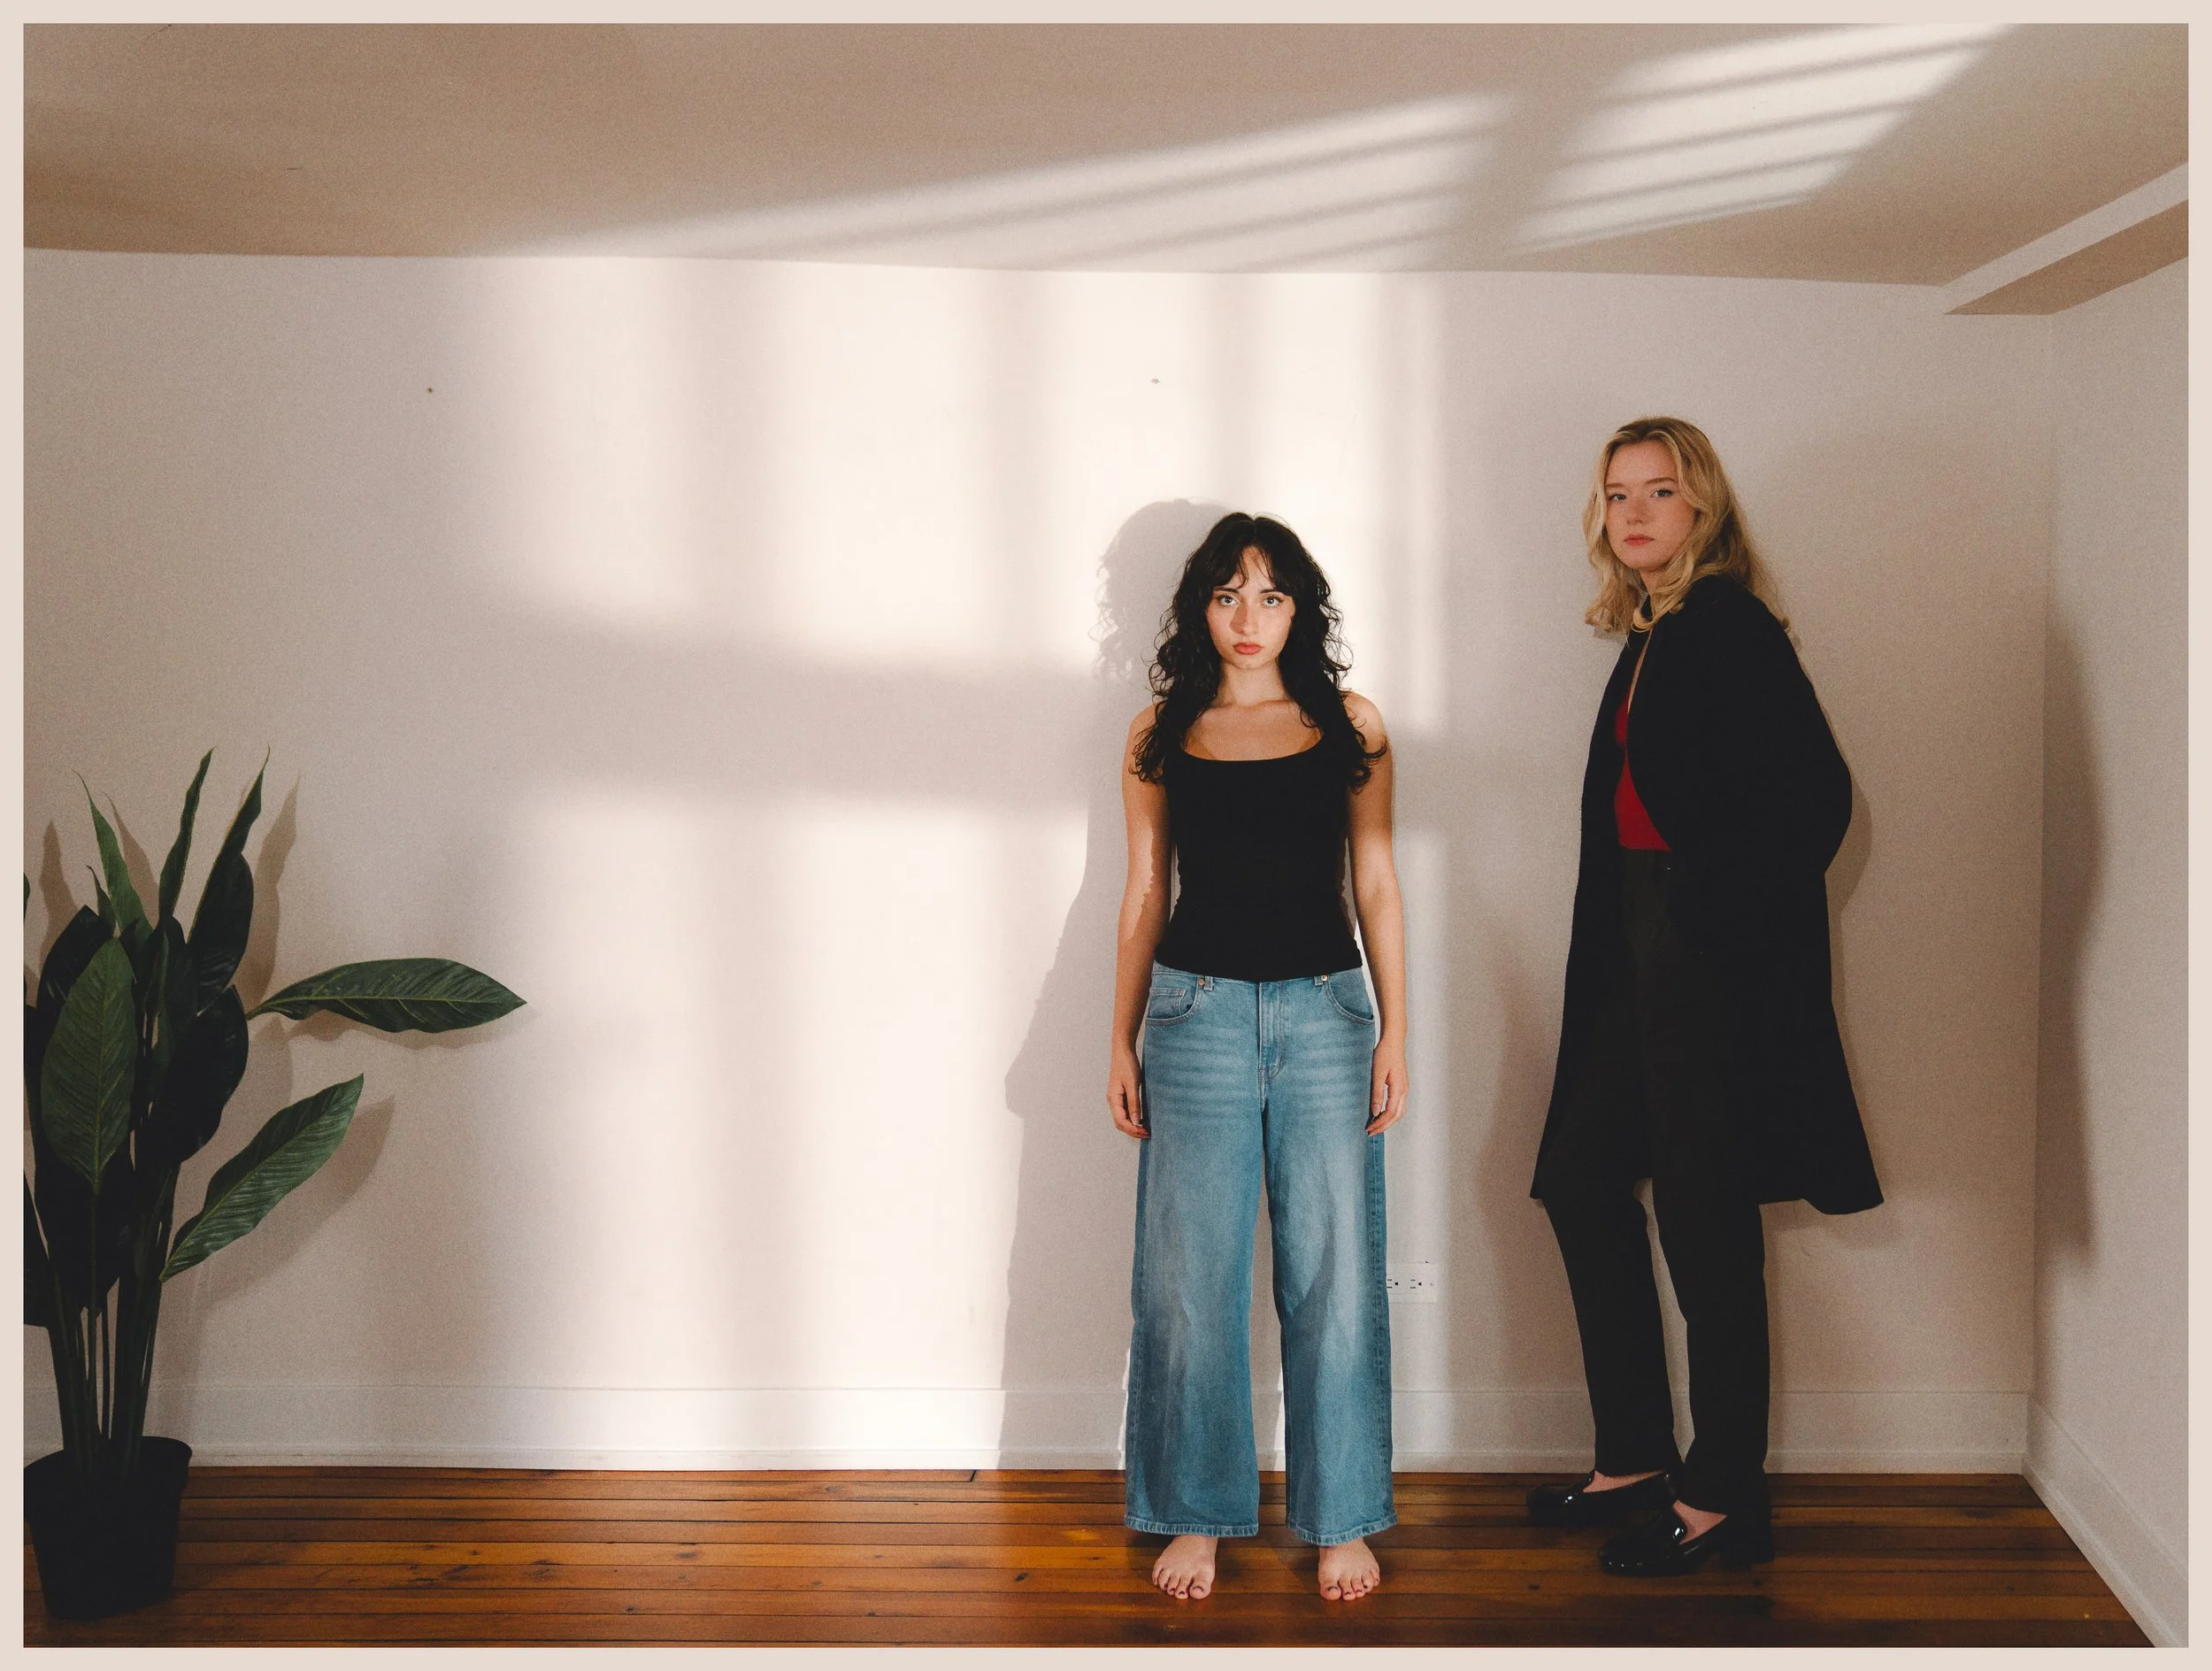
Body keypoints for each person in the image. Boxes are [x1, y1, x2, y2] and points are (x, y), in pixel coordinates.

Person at [1525, 417, 1883, 1577]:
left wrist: (1706, 914)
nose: (1634, 513)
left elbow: (1818, 801)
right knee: (1581, 1177)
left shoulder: (1727, 628)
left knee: (1704, 1217)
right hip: (1634, 946)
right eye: (1617, 494)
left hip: (1696, 961)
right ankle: (1634, 1453)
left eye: (1660, 491)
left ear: (1703, 509)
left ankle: (1724, 1491)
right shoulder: (1653, 632)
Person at [1107, 512, 1409, 1604]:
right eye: (1228, 594)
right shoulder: (1159, 730)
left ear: (1301, 609)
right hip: (1192, 1019)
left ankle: (1341, 1516)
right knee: (1189, 1279)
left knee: (1335, 1277)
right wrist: (1119, 1036)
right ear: (1199, 606)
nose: (1248, 617)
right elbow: (1146, 891)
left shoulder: (1350, 724)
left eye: (1271, 594)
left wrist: (1395, 1033)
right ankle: (1195, 1511)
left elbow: (1375, 880)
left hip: (1328, 1014)